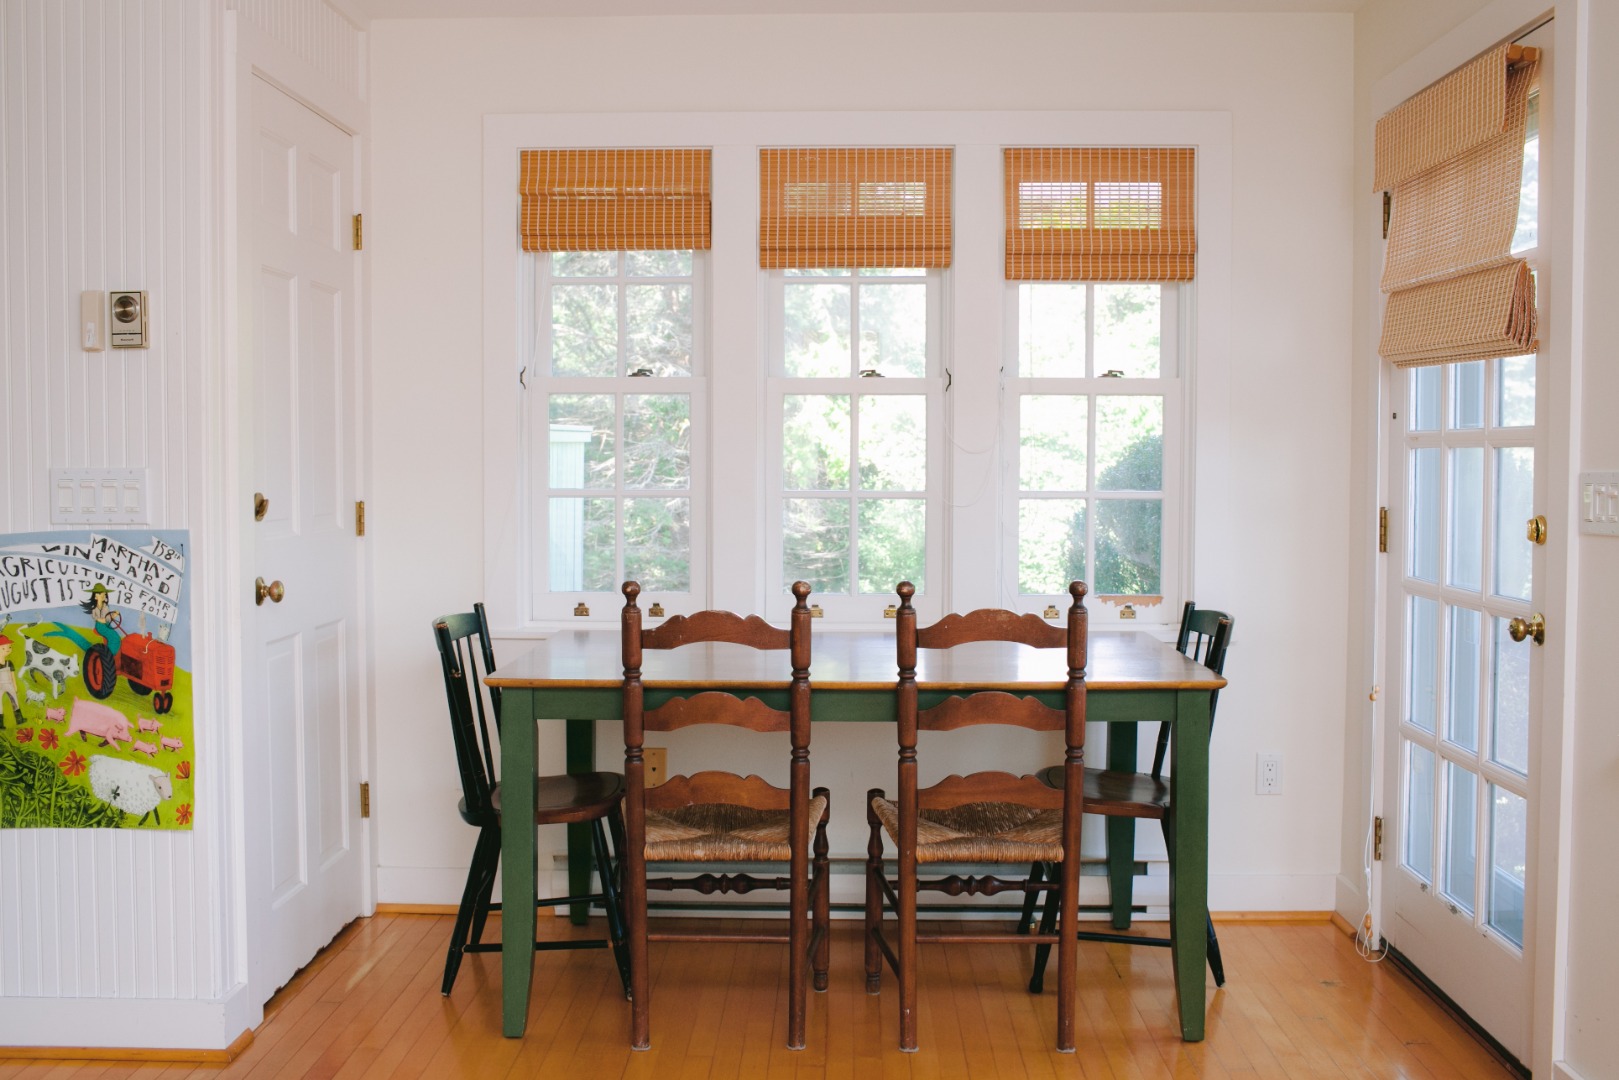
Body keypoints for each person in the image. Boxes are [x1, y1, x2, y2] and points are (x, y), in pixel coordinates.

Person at [79, 583, 125, 655]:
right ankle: (108, 654)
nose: (103, 595)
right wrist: (104, 620)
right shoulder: (94, 608)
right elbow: (96, 618)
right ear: (95, 597)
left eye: (104, 594)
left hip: (106, 624)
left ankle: (110, 652)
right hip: (100, 626)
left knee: (115, 636)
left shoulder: (105, 607)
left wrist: (114, 615)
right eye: (100, 594)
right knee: (113, 636)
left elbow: (108, 618)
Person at [0, 633, 17, 729]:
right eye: (3, 648)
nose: (7, 650)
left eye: (9, 647)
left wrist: (15, 685)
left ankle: (19, 719)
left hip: (9, 684)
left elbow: (12, 675)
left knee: (14, 700)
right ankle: (0, 724)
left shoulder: (9, 663)